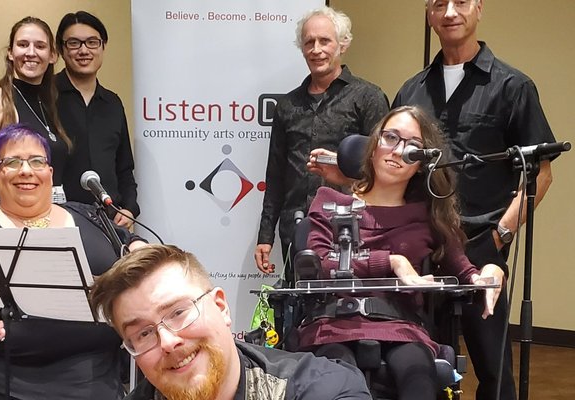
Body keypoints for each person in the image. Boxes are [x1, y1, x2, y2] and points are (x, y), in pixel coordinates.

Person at [391, 1, 556, 398]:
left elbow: (541, 174)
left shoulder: (513, 86)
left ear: (479, 8)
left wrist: (499, 236)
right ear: (429, 14)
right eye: (438, 4)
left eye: (461, 2)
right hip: (423, 246)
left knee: (493, 371)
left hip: (483, 245)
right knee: (420, 362)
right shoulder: (411, 91)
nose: (449, 12)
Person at [0, 124, 142, 399]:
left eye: (37, 161)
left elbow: (126, 244)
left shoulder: (89, 215)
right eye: (12, 162)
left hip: (91, 374)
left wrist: (137, 246)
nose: (26, 170)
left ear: (50, 173)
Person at [300, 106, 505, 400]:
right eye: (391, 138)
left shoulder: (428, 216)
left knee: (418, 376)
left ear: (422, 162)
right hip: (333, 325)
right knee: (337, 381)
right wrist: (394, 262)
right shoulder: (330, 201)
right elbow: (322, 263)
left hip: (402, 328)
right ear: (373, 145)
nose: (399, 151)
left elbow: (467, 271)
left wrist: (490, 272)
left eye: (413, 146)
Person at [90, 244, 372, 400]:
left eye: (178, 312)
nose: (168, 341)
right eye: (143, 334)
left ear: (220, 307)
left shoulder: (319, 389)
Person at [256, 6, 389, 276]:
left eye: (324, 41)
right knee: (297, 311)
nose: (316, 49)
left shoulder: (368, 98)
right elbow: (276, 174)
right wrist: (265, 235)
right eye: (309, 42)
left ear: (343, 44)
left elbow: (384, 168)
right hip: (295, 229)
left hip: (351, 228)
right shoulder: (287, 105)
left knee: (344, 312)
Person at [0, 16, 72, 207]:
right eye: (23, 45)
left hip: (52, 217)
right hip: (10, 220)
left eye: (40, 46)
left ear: (52, 56)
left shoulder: (50, 102)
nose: (31, 53)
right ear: (10, 52)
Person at [55, 11, 139, 229]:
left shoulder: (112, 103)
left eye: (92, 42)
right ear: (61, 50)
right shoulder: (45, 97)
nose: (84, 50)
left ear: (103, 46)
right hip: (58, 220)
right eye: (74, 43)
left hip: (110, 222)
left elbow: (124, 168)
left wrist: (129, 208)